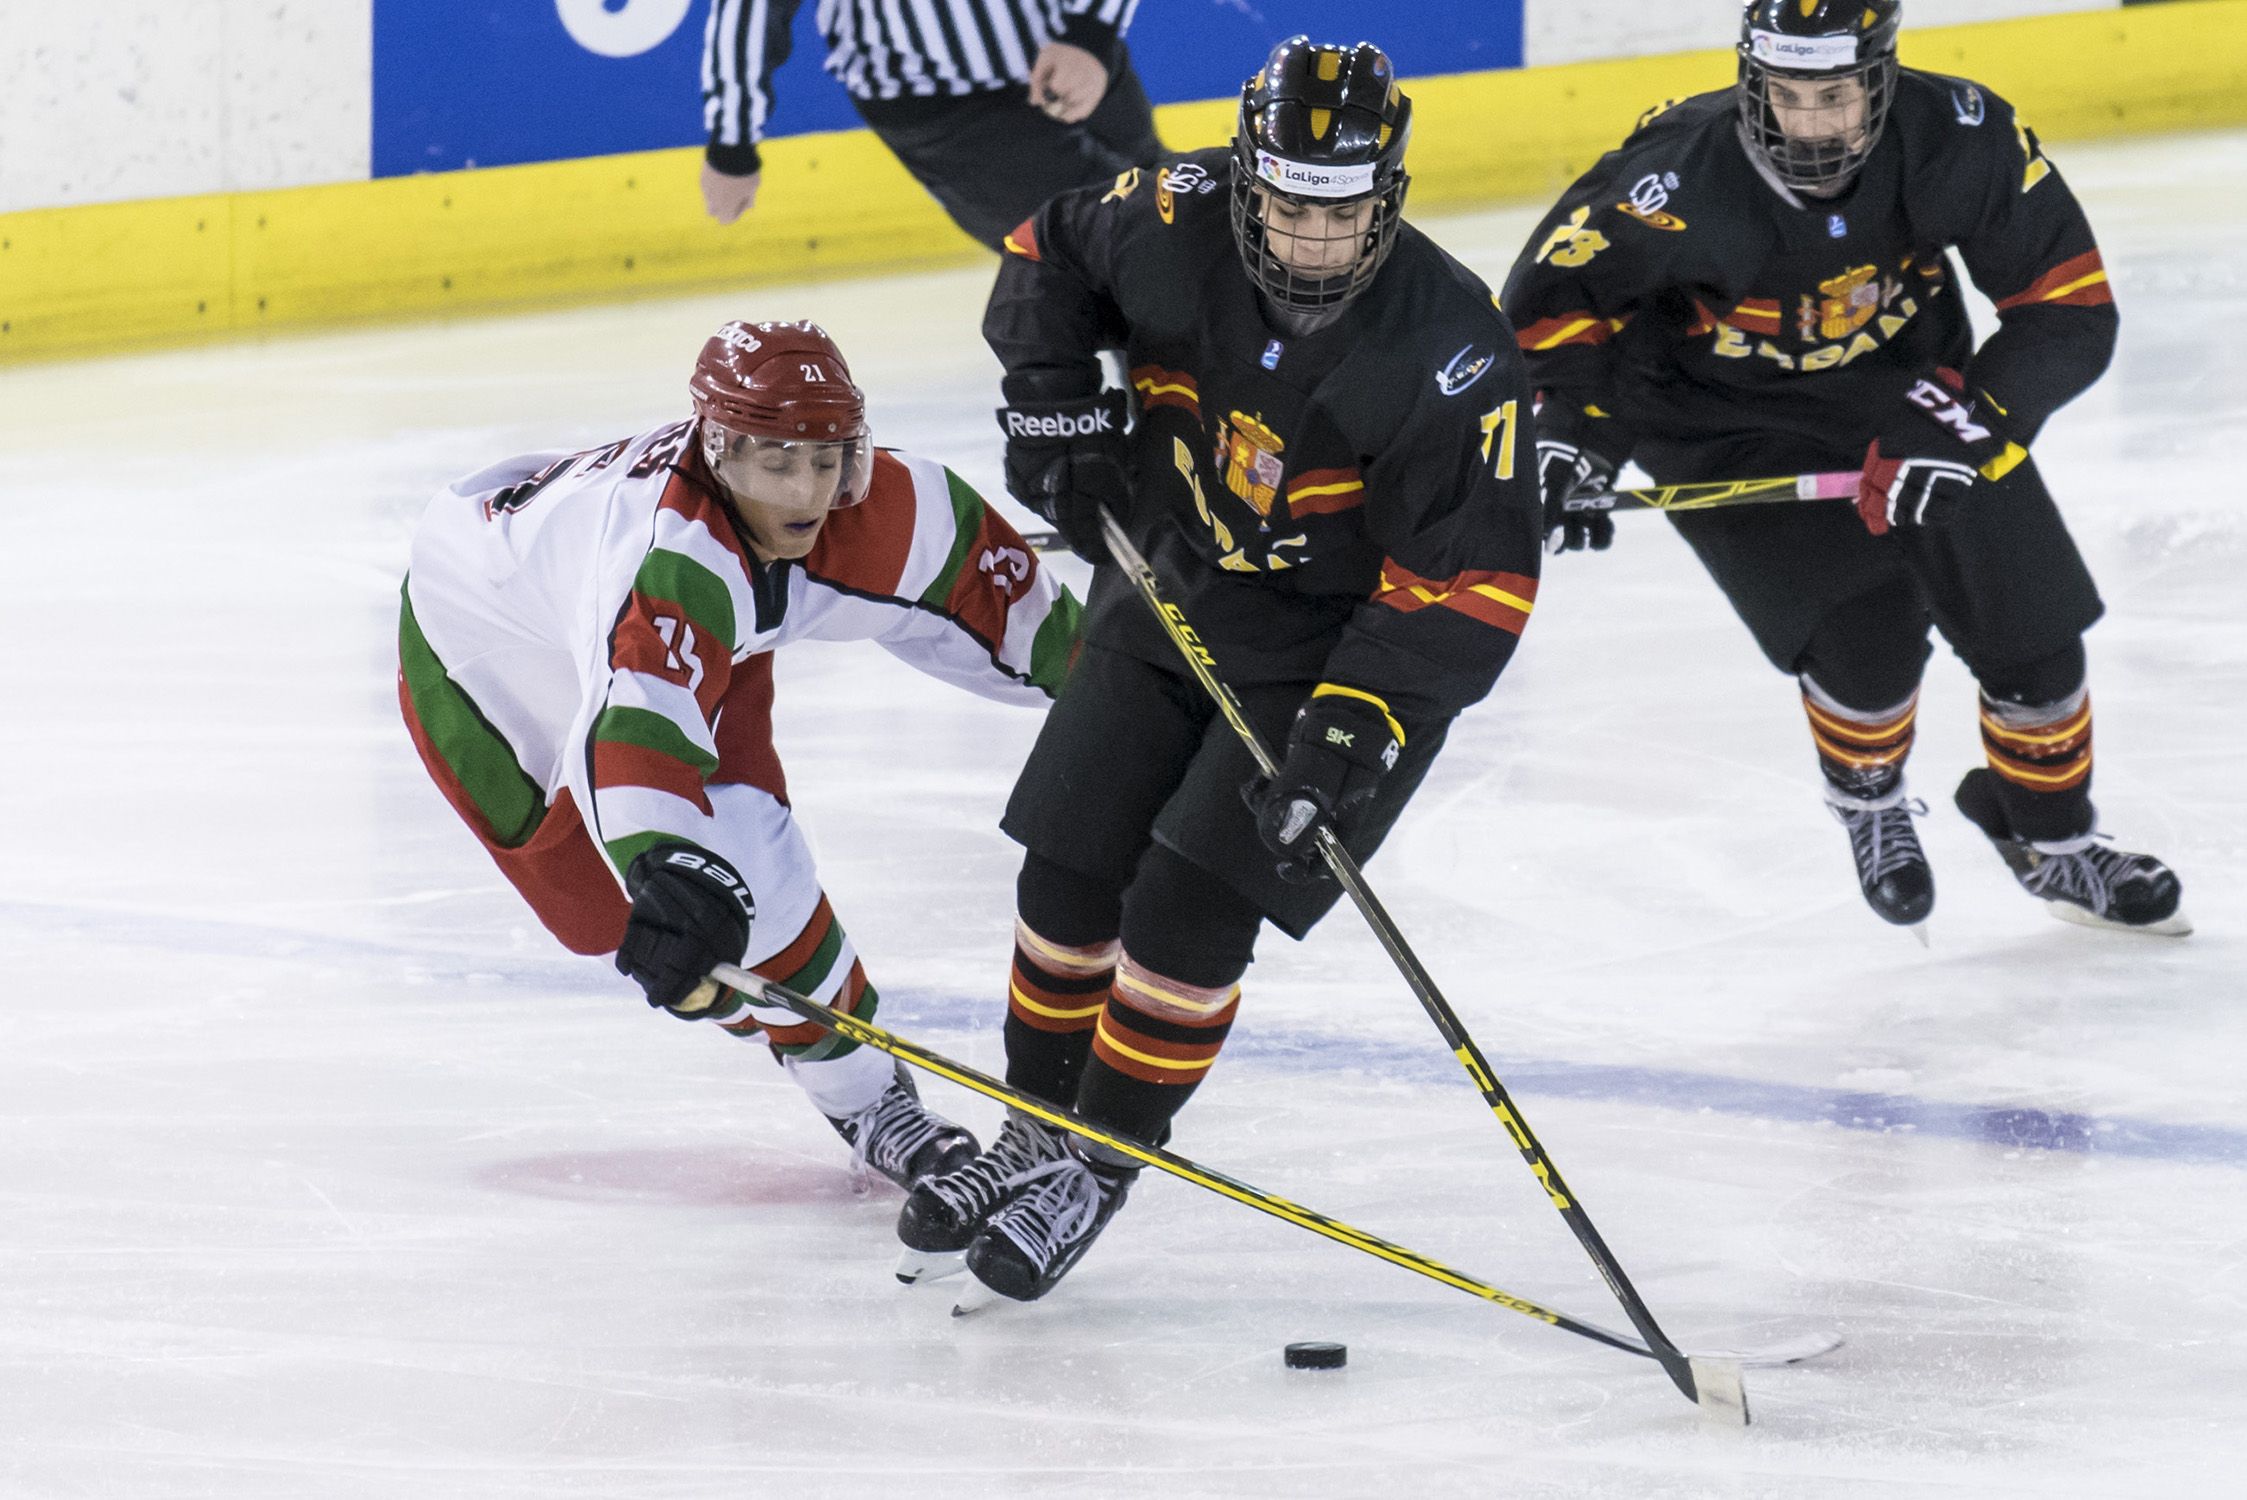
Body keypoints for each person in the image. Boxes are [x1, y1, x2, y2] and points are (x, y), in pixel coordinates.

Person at [889, 37, 1545, 1301]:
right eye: (1290, 204)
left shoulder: (1454, 354)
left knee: (1192, 900)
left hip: (1339, 654)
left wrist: (1348, 738)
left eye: (1341, 210)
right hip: (1172, 576)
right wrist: (1056, 406)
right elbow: (1047, 255)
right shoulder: (1171, 212)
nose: (1311, 238)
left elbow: (1472, 583)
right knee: (1070, 864)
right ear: (1248, 181)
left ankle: (1103, 1160)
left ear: (1387, 194)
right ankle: (1035, 1124)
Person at [1500, 0, 2186, 936]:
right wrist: (1571, 434)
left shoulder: (1957, 133)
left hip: (1912, 395)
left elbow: (2065, 305)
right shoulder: (1668, 174)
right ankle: (1869, 804)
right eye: (1785, 94)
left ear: (1881, 77)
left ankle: (2055, 845)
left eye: (1835, 95)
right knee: (1862, 641)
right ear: (1752, 81)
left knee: (2032, 637)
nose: (1810, 123)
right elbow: (1552, 311)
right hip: (1717, 419)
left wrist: (1969, 418)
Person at [398, 320, 1083, 1193]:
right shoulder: (669, 565)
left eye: (827, 458)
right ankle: (798, 1028)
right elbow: (635, 739)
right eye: (777, 462)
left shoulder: (894, 512)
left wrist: (1156, 695)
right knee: (614, 919)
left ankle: (869, 1102)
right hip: (487, 642)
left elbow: (1063, 649)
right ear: (718, 454)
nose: (807, 490)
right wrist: (667, 869)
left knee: (742, 863)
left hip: (648, 631)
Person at [700, 0, 1164, 251]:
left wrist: (1093, 30)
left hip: (1082, 55)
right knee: (1109, 254)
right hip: (941, 105)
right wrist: (732, 142)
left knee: (1176, 222)